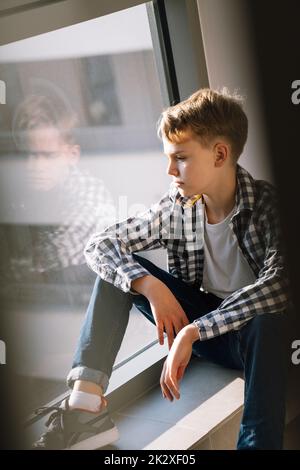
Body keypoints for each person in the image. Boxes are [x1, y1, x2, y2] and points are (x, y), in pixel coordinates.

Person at [33, 88, 292, 450]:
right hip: (215, 335)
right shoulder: (179, 207)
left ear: (220, 154)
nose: (170, 170)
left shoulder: (269, 206)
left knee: (267, 321)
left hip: (266, 343)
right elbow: (102, 244)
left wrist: (192, 332)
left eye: (181, 158)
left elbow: (278, 286)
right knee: (123, 271)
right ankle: (86, 410)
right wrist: (150, 286)